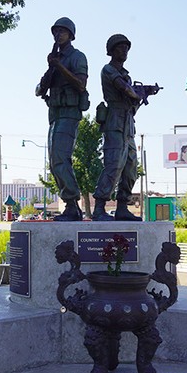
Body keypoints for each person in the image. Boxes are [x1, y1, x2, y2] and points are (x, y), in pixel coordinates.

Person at [35, 17, 89, 221]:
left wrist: (60, 66)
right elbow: (40, 89)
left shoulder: (77, 57)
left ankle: (72, 204)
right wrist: (51, 66)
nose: (58, 35)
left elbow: (81, 84)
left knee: (60, 157)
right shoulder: (54, 59)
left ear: (71, 34)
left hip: (69, 113)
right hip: (55, 114)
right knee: (54, 161)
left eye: (62, 32)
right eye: (55, 32)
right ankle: (70, 205)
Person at [92, 34, 142, 221]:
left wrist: (140, 98)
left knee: (131, 169)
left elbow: (133, 103)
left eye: (126, 48)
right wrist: (137, 93)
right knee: (113, 166)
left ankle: (122, 207)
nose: (124, 51)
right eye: (120, 47)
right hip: (114, 122)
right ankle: (99, 208)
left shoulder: (127, 75)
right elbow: (124, 89)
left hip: (128, 126)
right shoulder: (109, 70)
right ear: (111, 50)